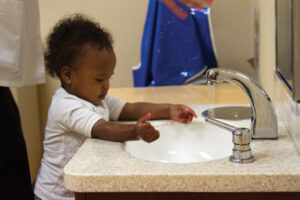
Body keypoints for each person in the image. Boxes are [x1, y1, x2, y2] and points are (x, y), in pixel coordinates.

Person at [33, 14, 198, 200]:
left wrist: (169, 109)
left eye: (109, 77)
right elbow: (102, 129)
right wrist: (136, 131)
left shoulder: (96, 99)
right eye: (99, 79)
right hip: (54, 196)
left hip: (80, 190)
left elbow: (131, 109)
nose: (106, 86)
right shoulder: (65, 106)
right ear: (67, 75)